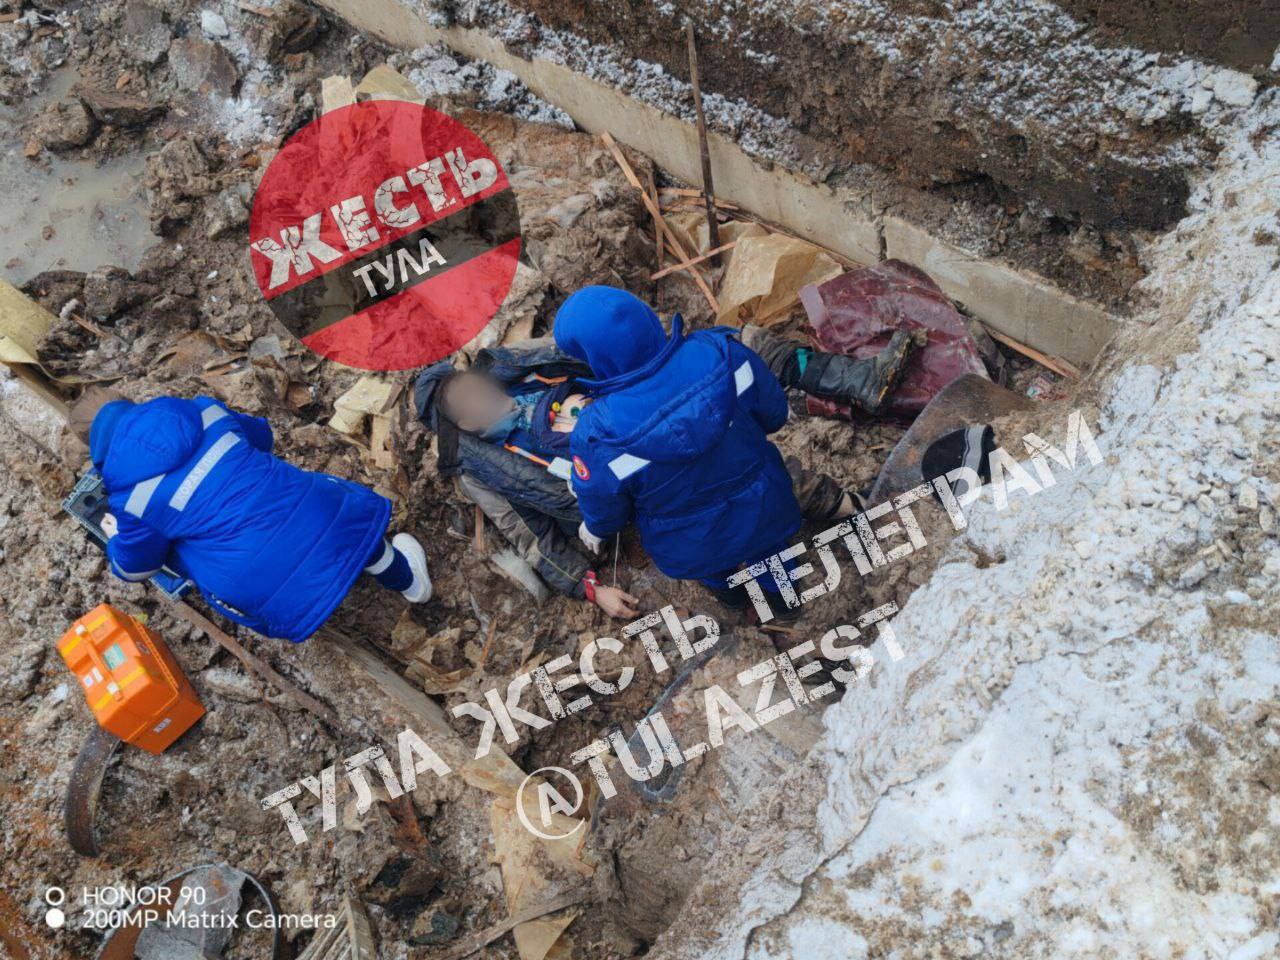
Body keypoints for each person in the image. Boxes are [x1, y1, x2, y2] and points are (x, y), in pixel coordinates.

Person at [414, 291, 919, 617]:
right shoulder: (490, 468)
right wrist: (588, 586)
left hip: (678, 515)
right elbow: (531, 535)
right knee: (766, 513)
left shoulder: (552, 388)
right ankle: (790, 584)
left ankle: (786, 592)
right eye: (466, 407)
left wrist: (599, 517)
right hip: (717, 482)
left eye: (471, 386)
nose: (479, 398)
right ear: (465, 427)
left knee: (748, 540)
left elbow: (605, 499)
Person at [69, 388, 432, 643]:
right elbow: (263, 438)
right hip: (326, 519)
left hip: (260, 584)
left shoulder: (130, 500)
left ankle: (304, 597)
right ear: (130, 403)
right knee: (348, 528)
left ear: (95, 449)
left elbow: (136, 569)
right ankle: (411, 584)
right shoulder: (204, 412)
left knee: (180, 548)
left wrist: (117, 537)